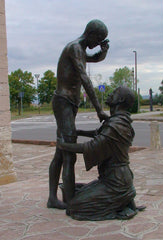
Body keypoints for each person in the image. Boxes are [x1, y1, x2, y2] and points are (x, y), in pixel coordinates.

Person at [47, 19, 109, 209]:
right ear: (90, 33)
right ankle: (69, 199)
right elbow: (84, 78)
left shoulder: (80, 51)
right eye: (98, 40)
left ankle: (53, 198)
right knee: (69, 154)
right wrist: (99, 108)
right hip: (63, 102)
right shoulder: (74, 48)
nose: (97, 44)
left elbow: (94, 58)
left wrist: (103, 52)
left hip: (70, 103)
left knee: (61, 151)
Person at [58, 86, 145, 220]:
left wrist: (64, 145)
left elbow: (92, 146)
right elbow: (99, 134)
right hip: (112, 178)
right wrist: (79, 132)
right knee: (79, 192)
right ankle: (124, 200)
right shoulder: (117, 121)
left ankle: (120, 208)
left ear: (120, 99)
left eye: (114, 92)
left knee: (74, 207)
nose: (110, 93)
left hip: (116, 182)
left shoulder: (116, 125)